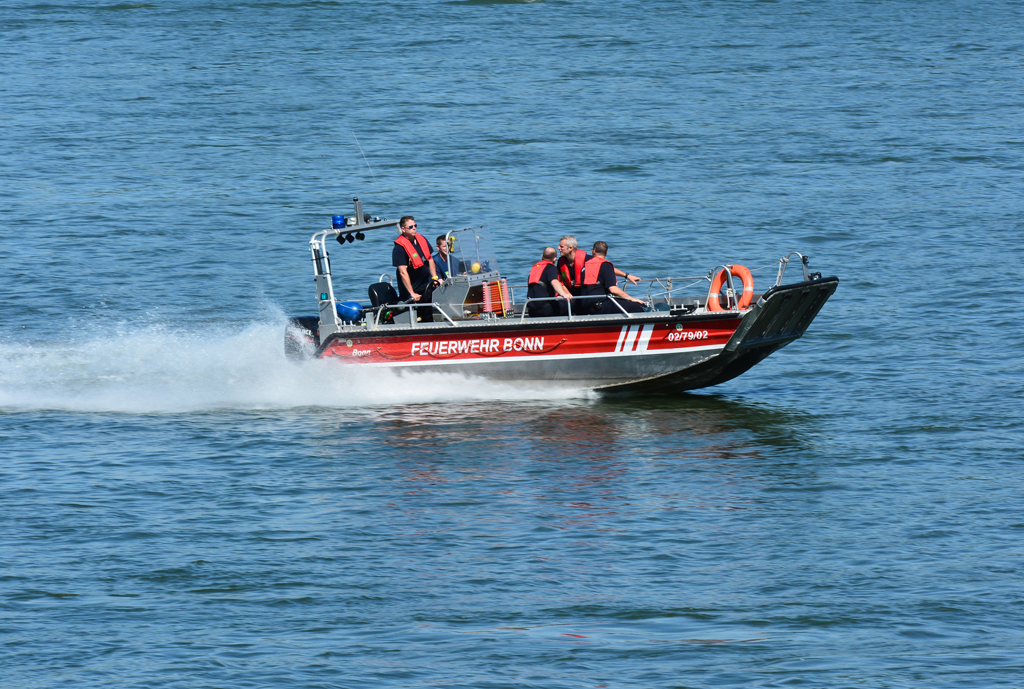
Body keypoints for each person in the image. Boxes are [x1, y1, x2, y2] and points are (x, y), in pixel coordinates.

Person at [557, 235, 640, 296]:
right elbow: (560, 281)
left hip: (584, 293)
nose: (558, 248)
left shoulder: (587, 259)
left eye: (561, 246)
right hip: (570, 295)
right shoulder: (561, 262)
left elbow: (605, 268)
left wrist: (627, 275)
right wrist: (567, 294)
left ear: (570, 248)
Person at [393, 216, 440, 321]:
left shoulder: (421, 239)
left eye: (415, 226)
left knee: (428, 314)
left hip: (426, 286)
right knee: (418, 316)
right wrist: (412, 293)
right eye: (410, 227)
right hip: (413, 289)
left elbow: (430, 259)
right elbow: (402, 272)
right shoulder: (399, 248)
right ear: (403, 229)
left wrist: (435, 277)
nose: (414, 228)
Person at [580, 241, 647, 315]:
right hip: (600, 305)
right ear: (606, 253)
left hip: (584, 305)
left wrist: (626, 275)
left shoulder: (584, 266)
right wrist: (631, 298)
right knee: (640, 307)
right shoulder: (605, 265)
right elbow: (613, 289)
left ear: (594, 251)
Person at [526, 247, 573, 317]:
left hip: (532, 309)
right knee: (571, 304)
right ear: (554, 259)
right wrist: (564, 295)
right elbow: (554, 282)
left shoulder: (534, 268)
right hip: (545, 309)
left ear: (542, 256)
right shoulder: (551, 268)